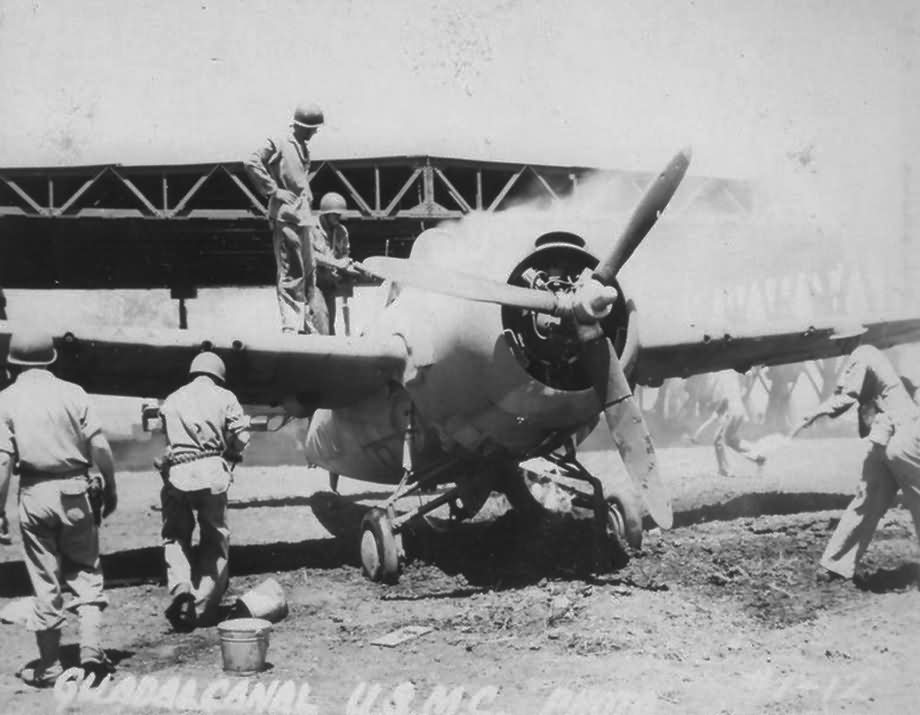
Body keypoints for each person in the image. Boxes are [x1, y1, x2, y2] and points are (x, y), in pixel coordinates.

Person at [0, 328, 118, 687]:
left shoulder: (5, 400)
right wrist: (110, 487)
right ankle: (92, 654)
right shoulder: (74, 393)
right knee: (85, 572)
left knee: (45, 579)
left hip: (34, 492)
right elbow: (100, 447)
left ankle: (50, 665)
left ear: (12, 363)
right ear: (52, 359)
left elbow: (3, 461)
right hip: (75, 489)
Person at [790, 343, 920, 581]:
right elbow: (850, 399)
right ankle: (835, 566)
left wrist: (812, 415)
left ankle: (834, 566)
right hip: (894, 432)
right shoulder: (869, 357)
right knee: (869, 497)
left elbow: (847, 398)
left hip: (895, 433)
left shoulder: (863, 353)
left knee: (868, 501)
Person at [158, 352, 250, 631]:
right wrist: (232, 451)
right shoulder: (225, 397)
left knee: (175, 537)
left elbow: (169, 442)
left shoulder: (172, 399)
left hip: (177, 474)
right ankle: (200, 608)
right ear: (218, 374)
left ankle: (182, 591)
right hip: (212, 474)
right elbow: (241, 438)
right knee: (214, 537)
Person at [244, 103, 324, 334]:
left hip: (303, 217)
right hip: (286, 217)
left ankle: (307, 324)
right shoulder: (279, 142)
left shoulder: (301, 146)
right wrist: (274, 190)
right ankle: (292, 325)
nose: (315, 132)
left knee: (309, 272)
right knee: (291, 272)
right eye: (312, 128)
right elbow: (251, 162)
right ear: (301, 126)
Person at [691, 369, 765, 476]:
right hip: (738, 410)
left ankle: (725, 470)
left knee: (718, 440)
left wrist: (717, 412)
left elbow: (724, 397)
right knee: (731, 440)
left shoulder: (723, 375)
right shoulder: (732, 374)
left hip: (732, 411)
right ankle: (757, 457)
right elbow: (733, 393)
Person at [310, 191, 352, 336]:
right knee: (321, 321)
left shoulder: (341, 231)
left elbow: (345, 254)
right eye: (335, 215)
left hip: (330, 285)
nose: (338, 218)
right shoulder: (310, 228)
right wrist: (336, 263)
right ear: (325, 214)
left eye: (339, 215)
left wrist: (347, 264)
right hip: (314, 284)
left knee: (330, 326)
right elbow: (310, 256)